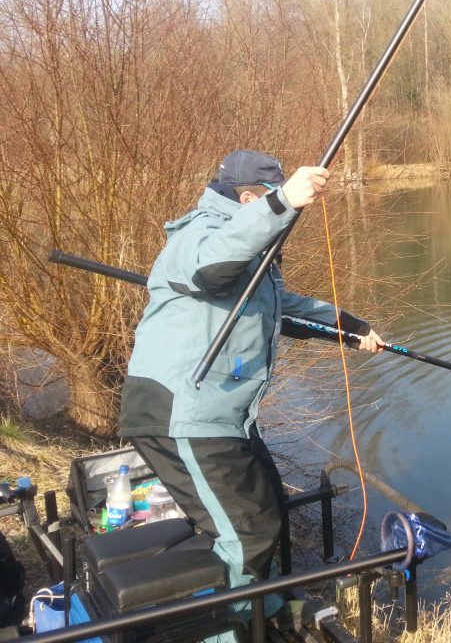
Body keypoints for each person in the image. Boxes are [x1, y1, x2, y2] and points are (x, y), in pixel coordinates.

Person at [119, 149, 384, 612]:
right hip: (181, 413)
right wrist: (282, 203)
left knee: (266, 507)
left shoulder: (252, 258)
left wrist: (353, 327)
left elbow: (289, 311)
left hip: (223, 416)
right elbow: (212, 269)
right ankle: (233, 629)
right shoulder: (198, 235)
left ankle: (261, 608)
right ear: (247, 200)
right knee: (248, 530)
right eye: (266, 197)